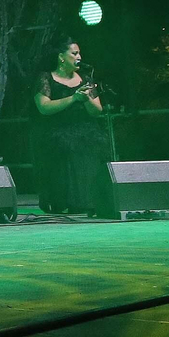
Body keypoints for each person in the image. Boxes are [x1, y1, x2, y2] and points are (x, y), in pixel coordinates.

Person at [31, 37, 115, 213]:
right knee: (66, 146)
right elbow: (44, 107)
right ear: (62, 57)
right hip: (57, 130)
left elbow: (96, 110)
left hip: (85, 129)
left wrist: (85, 100)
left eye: (79, 53)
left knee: (94, 145)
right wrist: (73, 98)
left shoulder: (85, 79)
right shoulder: (46, 78)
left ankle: (92, 201)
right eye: (74, 53)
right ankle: (65, 201)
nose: (79, 57)